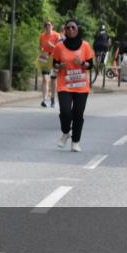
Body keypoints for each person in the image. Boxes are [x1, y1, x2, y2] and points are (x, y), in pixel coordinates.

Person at [52, 19, 94, 153]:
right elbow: (54, 64)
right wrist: (59, 66)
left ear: (77, 29)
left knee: (78, 114)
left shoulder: (85, 46)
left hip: (81, 86)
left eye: (73, 27)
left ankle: (75, 142)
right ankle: (66, 132)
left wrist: (82, 63)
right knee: (65, 112)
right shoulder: (59, 47)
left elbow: (90, 65)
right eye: (68, 28)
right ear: (65, 30)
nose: (70, 30)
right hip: (64, 85)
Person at [38, 20, 62, 108]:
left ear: (52, 26)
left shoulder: (57, 35)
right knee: (45, 78)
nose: (47, 26)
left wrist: (52, 46)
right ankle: (44, 99)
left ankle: (52, 99)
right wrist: (41, 51)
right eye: (46, 25)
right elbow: (40, 46)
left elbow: (60, 48)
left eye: (49, 25)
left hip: (54, 58)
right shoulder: (42, 36)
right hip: (45, 57)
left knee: (53, 79)